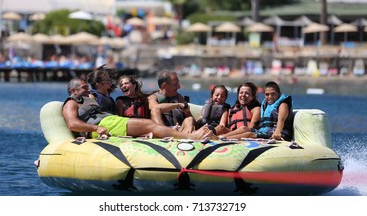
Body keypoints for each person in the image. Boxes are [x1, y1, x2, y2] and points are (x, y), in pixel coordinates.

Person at [62, 77, 212, 140]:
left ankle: (184, 135)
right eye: (84, 88)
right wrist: (95, 129)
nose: (88, 90)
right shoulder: (71, 103)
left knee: (149, 128)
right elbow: (72, 124)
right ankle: (190, 137)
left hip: (111, 121)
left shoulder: (88, 99)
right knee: (149, 124)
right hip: (103, 125)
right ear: (73, 91)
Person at [222, 81, 293, 141]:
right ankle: (221, 137)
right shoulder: (266, 104)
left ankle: (224, 140)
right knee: (244, 128)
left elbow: (281, 120)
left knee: (249, 134)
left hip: (280, 133)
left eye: (273, 94)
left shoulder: (283, 104)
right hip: (265, 131)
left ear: (279, 93)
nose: (270, 97)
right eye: (267, 94)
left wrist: (277, 133)